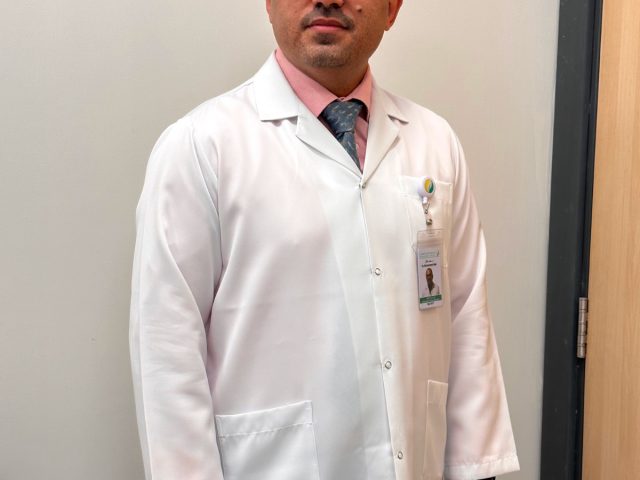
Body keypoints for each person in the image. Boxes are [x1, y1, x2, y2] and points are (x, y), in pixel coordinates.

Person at [129, 0, 519, 479]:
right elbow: (166, 350)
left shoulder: (435, 142)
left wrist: (477, 468)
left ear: (393, 8)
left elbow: (466, 316)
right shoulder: (200, 146)